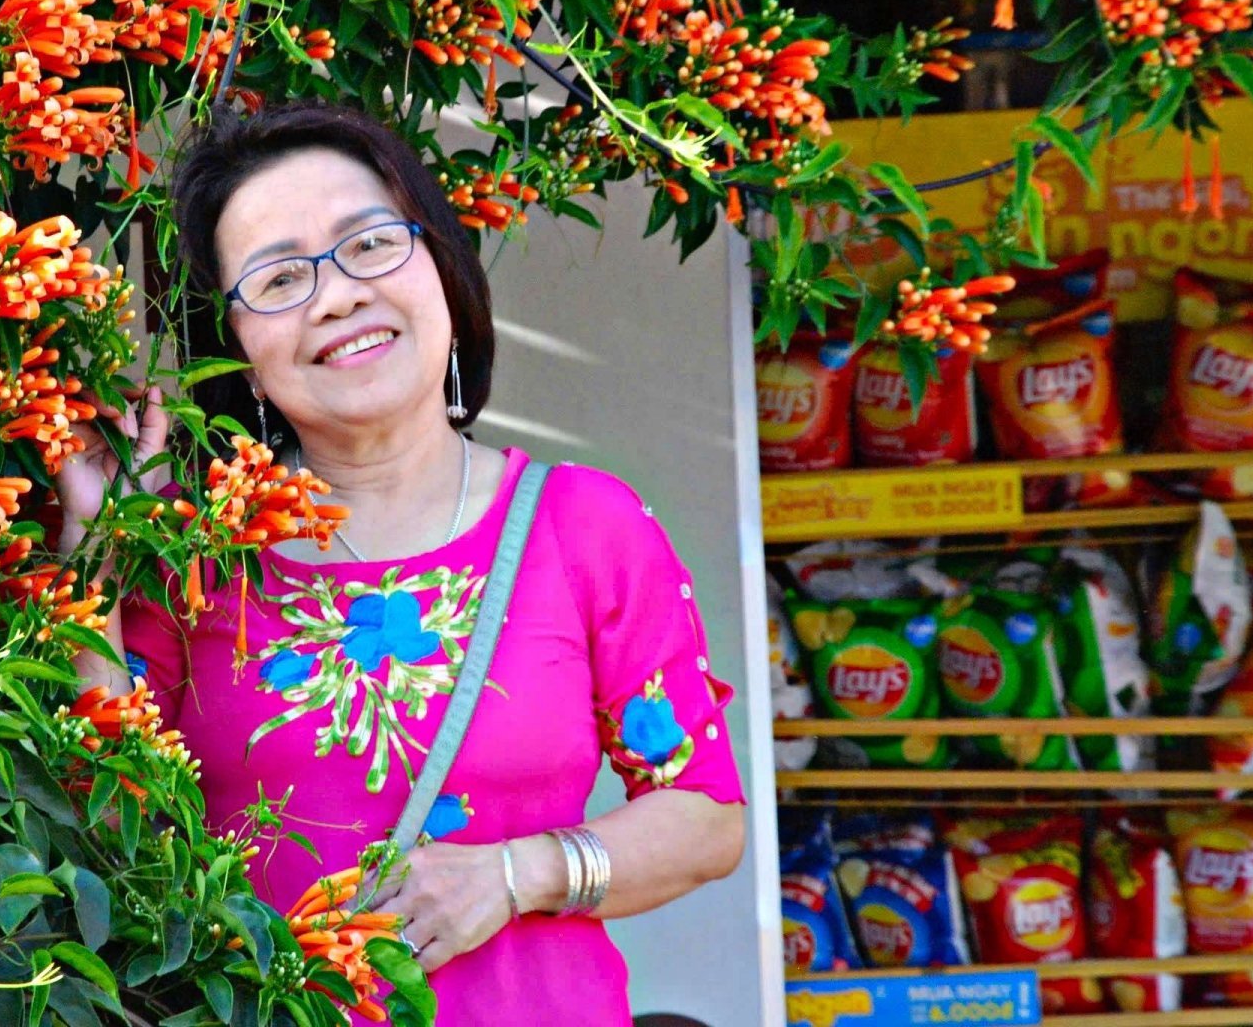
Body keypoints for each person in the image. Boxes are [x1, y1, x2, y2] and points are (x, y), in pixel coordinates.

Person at [59, 99, 745, 1024]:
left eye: (370, 243)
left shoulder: (585, 527)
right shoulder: (199, 554)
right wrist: (100, 559)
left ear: (441, 269)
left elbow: (704, 817)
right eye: (278, 278)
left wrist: (516, 874)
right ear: (240, 358)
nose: (337, 295)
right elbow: (107, 837)